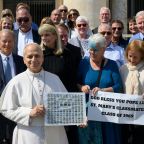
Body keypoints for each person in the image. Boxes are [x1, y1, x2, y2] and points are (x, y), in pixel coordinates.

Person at [0, 43, 69, 144]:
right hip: (28, 134)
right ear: (24, 60)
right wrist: (29, 113)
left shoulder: (54, 79)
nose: (34, 59)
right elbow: (6, 108)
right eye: (29, 56)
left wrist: (79, 118)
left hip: (55, 133)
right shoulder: (16, 81)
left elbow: (68, 105)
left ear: (42, 58)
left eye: (37, 56)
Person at [77, 33, 123, 144]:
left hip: (107, 114)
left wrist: (102, 91)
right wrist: (82, 87)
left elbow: (118, 87)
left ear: (103, 49)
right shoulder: (84, 63)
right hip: (88, 114)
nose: (92, 52)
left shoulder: (112, 64)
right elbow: (76, 83)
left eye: (95, 50)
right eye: (90, 49)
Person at [57, 23, 82, 144]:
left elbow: (79, 74)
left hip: (73, 96)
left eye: (66, 36)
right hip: (56, 98)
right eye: (61, 36)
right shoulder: (50, 53)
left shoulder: (76, 51)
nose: (64, 39)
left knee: (72, 134)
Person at [0, 29, 26, 144]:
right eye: (4, 41)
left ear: (14, 42)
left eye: (10, 41)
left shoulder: (21, 61)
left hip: (16, 107)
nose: (7, 44)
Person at [120, 40, 144, 144]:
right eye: (130, 56)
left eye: (135, 57)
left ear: (142, 56)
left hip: (142, 114)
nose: (132, 59)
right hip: (126, 113)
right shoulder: (123, 69)